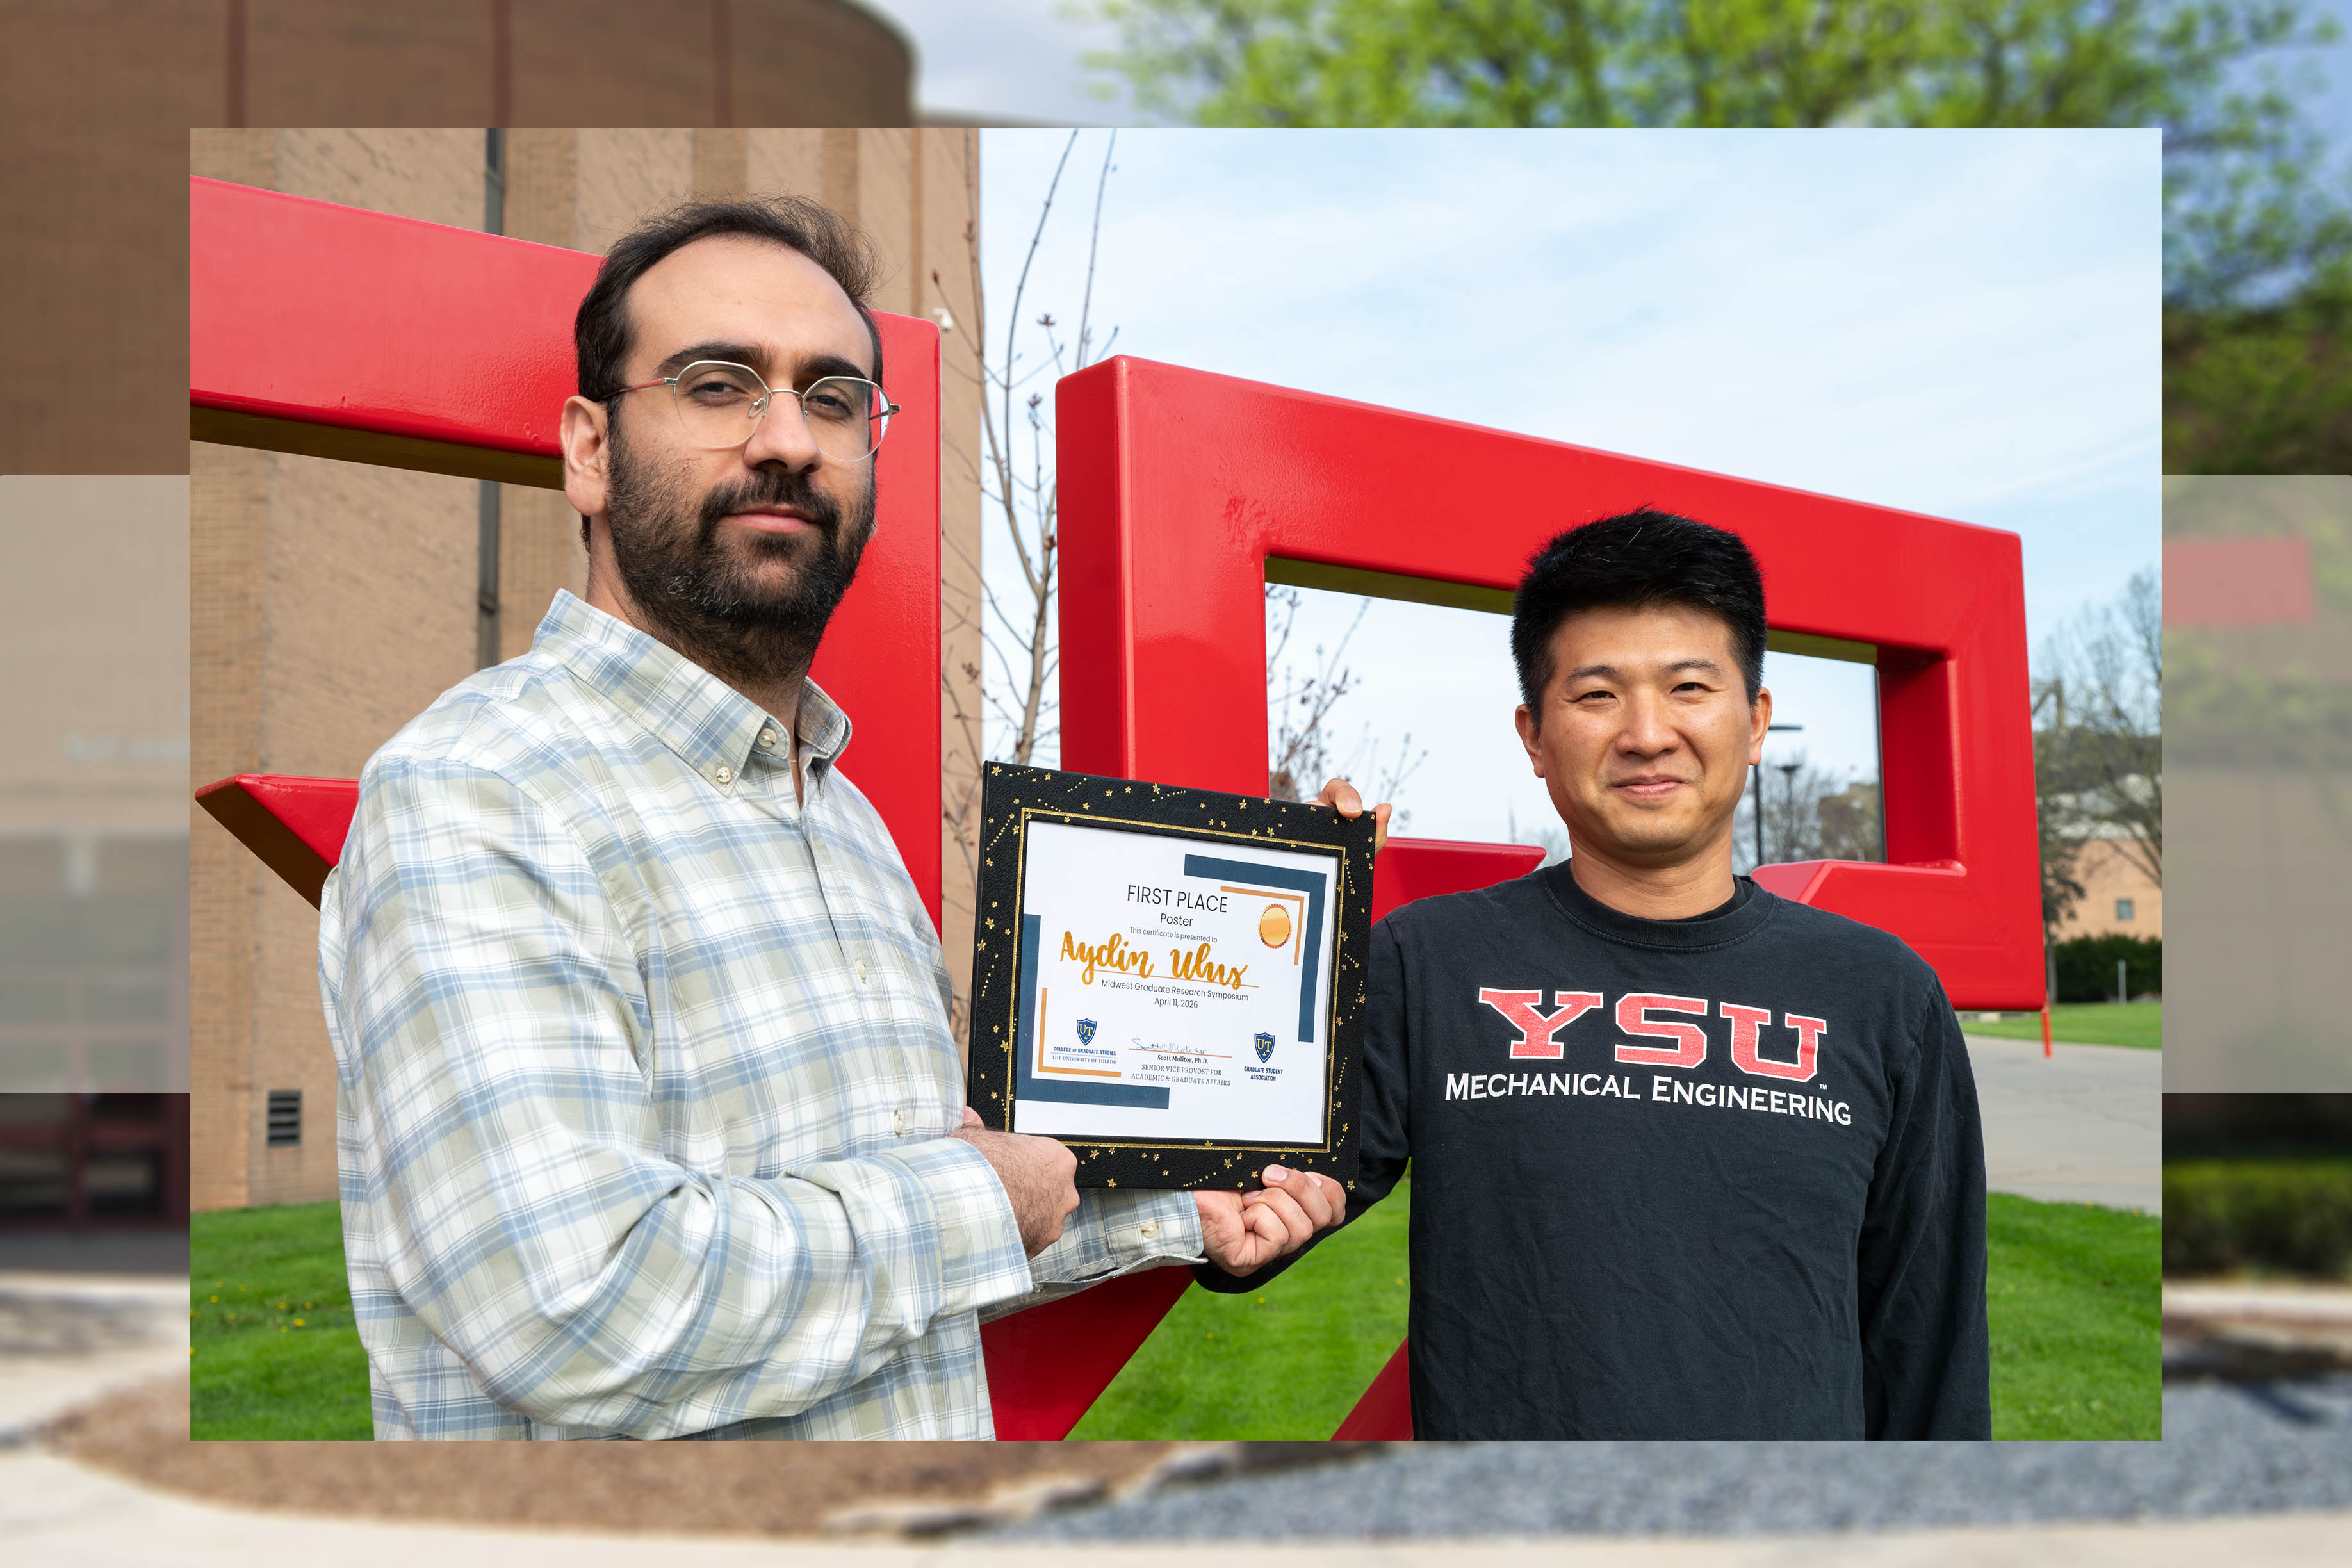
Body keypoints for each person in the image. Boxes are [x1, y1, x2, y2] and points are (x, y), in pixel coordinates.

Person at [317, 195, 1341, 1440]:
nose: (788, 439)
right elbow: (582, 1310)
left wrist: (1185, 1218)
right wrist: (979, 1194)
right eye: (717, 384)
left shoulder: (841, 823)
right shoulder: (483, 792)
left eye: (836, 398)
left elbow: (883, 1273)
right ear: (588, 448)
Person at [1219, 509, 1990, 1439]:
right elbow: (1252, 1193)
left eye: (1690, 687)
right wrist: (1272, 925)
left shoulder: (1881, 995)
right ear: (1534, 735)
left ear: (1754, 723)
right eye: (1596, 696)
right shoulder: (1428, 961)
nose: (1647, 733)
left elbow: (1930, 1342)